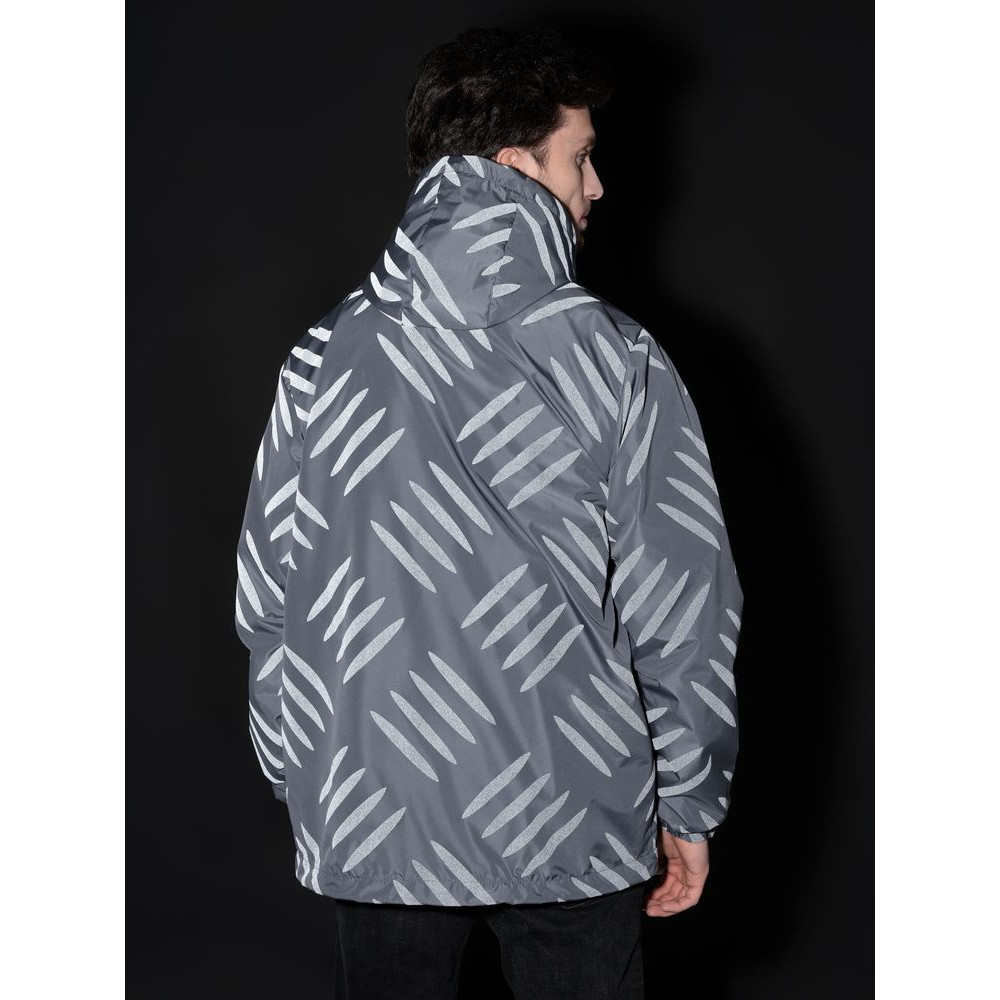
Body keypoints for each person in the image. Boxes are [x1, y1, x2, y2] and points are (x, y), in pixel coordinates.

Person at [234, 25, 744, 1000]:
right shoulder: (614, 358)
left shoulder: (323, 358)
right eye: (580, 157)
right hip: (573, 810)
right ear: (514, 166)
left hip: (374, 807)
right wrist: (688, 803)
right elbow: (682, 605)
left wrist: (309, 780)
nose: (597, 186)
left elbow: (270, 601)